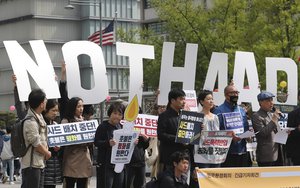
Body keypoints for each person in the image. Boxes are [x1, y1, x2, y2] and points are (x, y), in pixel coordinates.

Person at [213, 84, 250, 167]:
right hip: (226, 153)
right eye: (232, 93)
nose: (235, 95)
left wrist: (249, 136)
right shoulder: (218, 111)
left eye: (237, 93)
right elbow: (215, 132)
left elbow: (246, 128)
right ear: (226, 95)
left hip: (242, 151)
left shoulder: (241, 110)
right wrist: (229, 135)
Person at [21, 89, 51, 188]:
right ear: (41, 104)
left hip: (39, 164)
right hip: (31, 166)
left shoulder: (39, 117)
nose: (47, 102)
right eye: (45, 100)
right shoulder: (30, 121)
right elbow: (36, 144)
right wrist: (47, 153)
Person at [157, 89, 192, 171]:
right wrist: (178, 139)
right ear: (172, 100)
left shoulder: (185, 116)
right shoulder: (164, 116)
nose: (184, 102)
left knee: (182, 181)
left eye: (184, 99)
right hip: (170, 157)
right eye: (181, 99)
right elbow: (161, 135)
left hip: (184, 156)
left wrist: (198, 128)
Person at [61, 97, 92, 188]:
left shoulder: (86, 121)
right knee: (69, 183)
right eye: (78, 106)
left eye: (82, 106)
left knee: (82, 184)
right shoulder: (66, 121)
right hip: (71, 157)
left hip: (84, 157)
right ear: (72, 107)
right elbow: (64, 139)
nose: (81, 109)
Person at [94, 102, 126, 188]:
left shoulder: (121, 127)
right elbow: (96, 142)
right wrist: (108, 143)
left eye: (120, 114)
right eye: (115, 113)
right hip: (106, 164)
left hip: (119, 164)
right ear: (110, 113)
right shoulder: (103, 126)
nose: (117, 116)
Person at [252, 91, 281, 167]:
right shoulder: (256, 116)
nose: (271, 103)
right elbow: (263, 133)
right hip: (266, 156)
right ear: (260, 102)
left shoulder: (271, 114)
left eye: (272, 100)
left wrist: (285, 132)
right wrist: (274, 120)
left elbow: (276, 131)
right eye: (268, 101)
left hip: (277, 153)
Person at [194, 90, 220, 168]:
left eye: (212, 99)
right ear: (202, 101)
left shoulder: (215, 117)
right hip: (202, 152)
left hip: (215, 152)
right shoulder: (197, 116)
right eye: (208, 99)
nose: (211, 101)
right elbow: (193, 137)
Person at [42, 99, 63, 188]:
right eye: (53, 110)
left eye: (57, 111)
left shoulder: (55, 124)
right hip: (44, 160)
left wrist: (59, 146)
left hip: (54, 162)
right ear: (46, 110)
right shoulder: (41, 124)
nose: (55, 113)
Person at [286, 90, 300, 165]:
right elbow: (289, 133)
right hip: (297, 154)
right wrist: (297, 130)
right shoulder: (292, 115)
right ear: (299, 98)